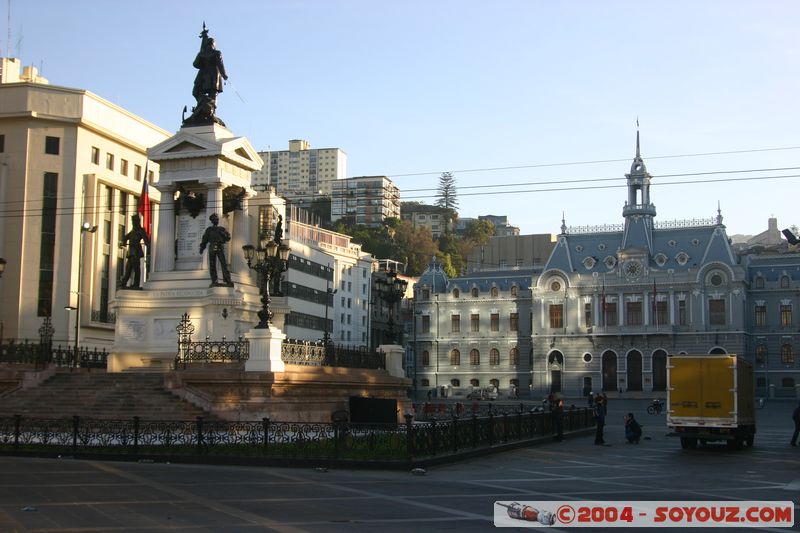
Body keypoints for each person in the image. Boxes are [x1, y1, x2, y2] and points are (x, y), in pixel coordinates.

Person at [199, 213, 233, 287]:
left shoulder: (221, 229)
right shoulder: (209, 230)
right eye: (215, 219)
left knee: (223, 264)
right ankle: (214, 280)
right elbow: (205, 239)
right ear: (212, 221)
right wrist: (202, 247)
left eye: (217, 219)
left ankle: (227, 280)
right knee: (212, 264)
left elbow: (228, 238)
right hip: (212, 247)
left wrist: (224, 234)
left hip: (219, 246)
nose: (217, 220)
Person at [118, 215, 150, 290]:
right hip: (131, 253)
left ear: (137, 222)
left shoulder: (140, 230)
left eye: (134, 221)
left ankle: (136, 284)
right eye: (132, 222)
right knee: (128, 268)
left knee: (136, 269)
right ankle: (123, 284)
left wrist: (146, 243)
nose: (133, 223)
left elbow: (146, 240)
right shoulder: (133, 231)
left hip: (136, 252)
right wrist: (123, 243)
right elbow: (126, 237)